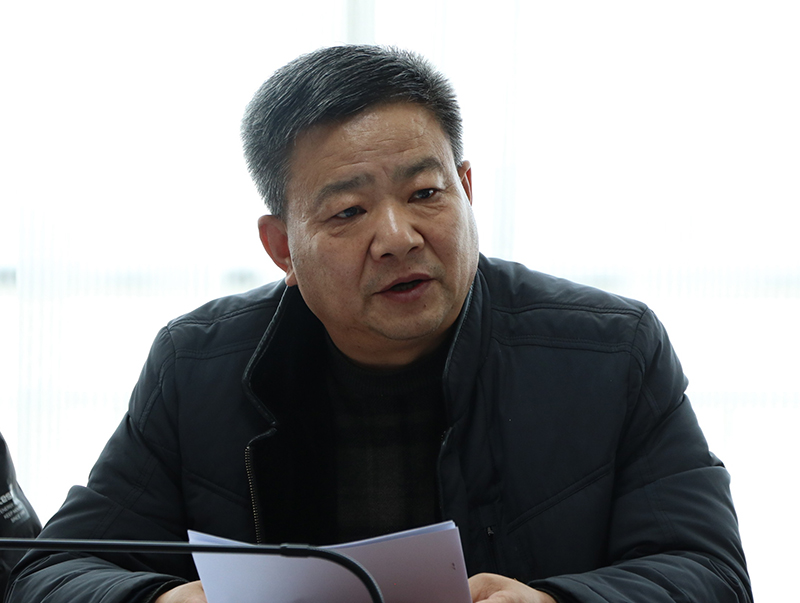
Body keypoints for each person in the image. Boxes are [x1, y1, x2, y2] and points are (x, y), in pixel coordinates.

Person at [6, 45, 751, 603]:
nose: (397, 237)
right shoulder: (198, 365)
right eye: (348, 211)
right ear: (282, 248)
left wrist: (556, 601)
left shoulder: (610, 352)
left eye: (425, 192)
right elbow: (50, 572)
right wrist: (162, 600)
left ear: (466, 190)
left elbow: (709, 572)